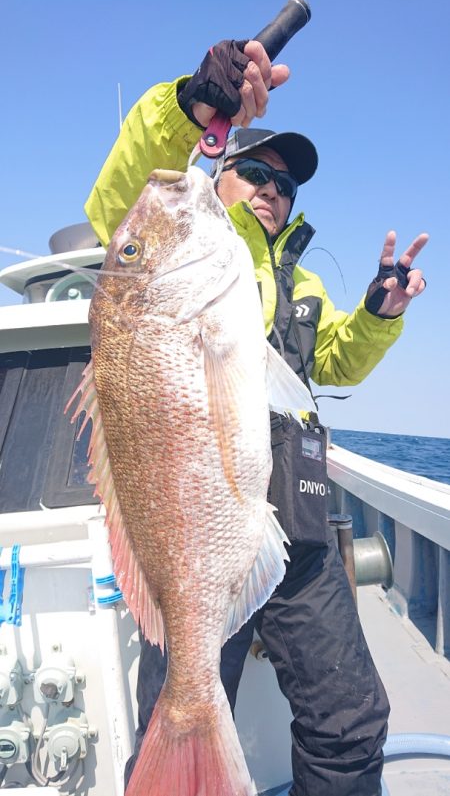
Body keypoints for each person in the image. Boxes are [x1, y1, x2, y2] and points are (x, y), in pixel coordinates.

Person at [85, 40, 428, 796]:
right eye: (259, 173)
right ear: (218, 171)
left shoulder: (301, 280)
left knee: (351, 721)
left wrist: (378, 314)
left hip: (297, 532)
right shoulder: (180, 244)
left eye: (287, 184)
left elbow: (332, 363)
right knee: (173, 718)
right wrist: (192, 108)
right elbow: (123, 205)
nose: (275, 191)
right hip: (196, 533)